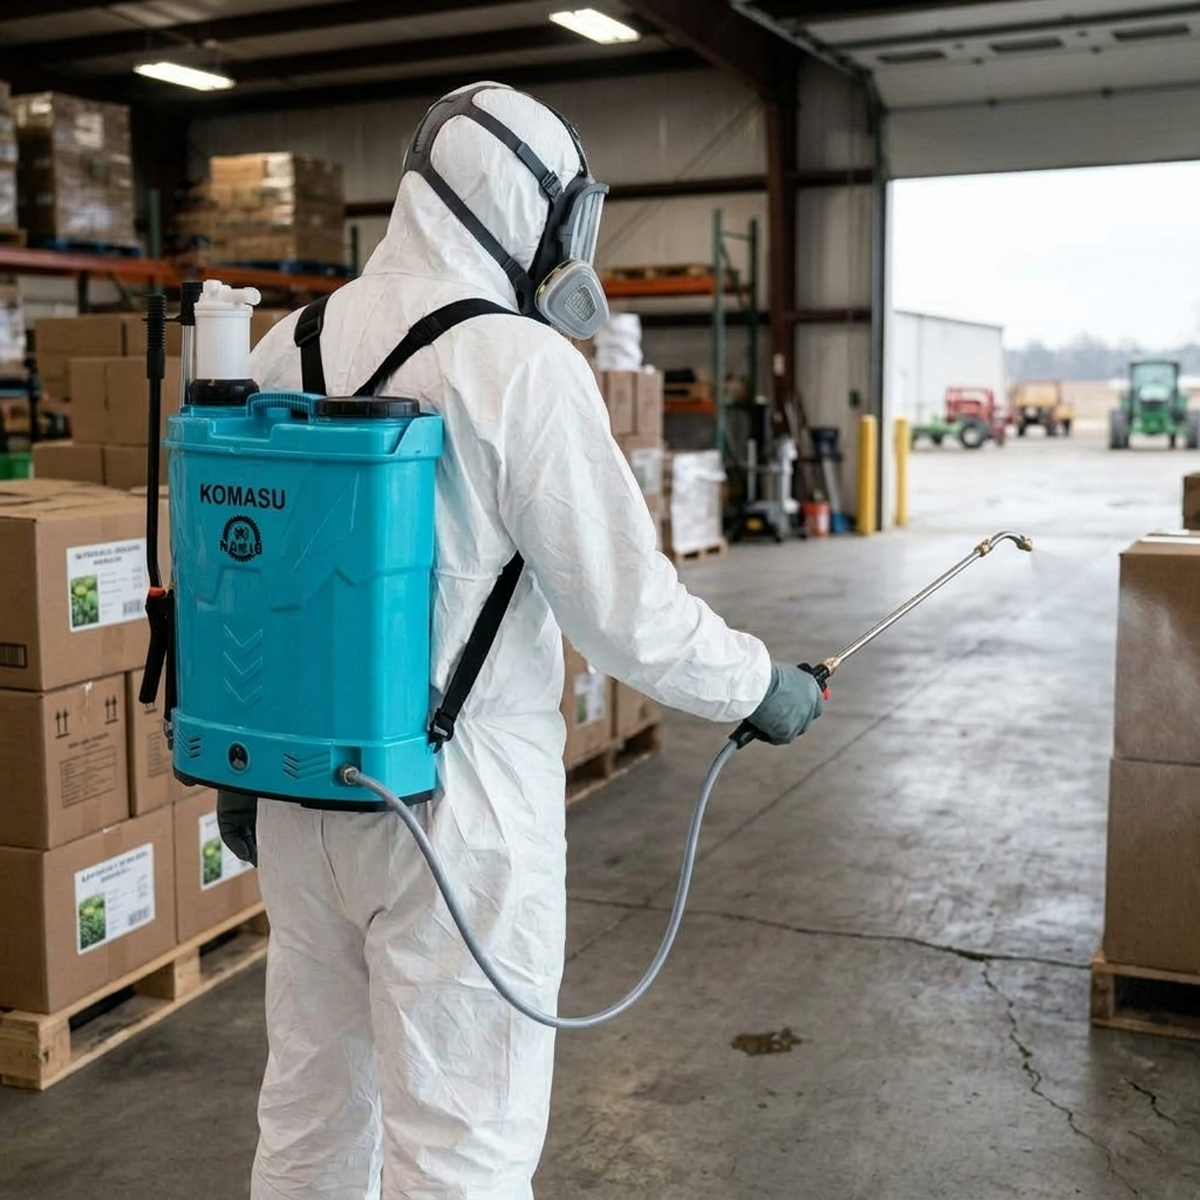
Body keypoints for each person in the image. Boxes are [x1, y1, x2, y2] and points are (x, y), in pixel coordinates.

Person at [221, 81, 823, 1200]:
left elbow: (232, 583)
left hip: (302, 801)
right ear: (520, 205)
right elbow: (627, 613)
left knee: (311, 1112)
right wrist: (759, 685)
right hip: (461, 811)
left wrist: (239, 768)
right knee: (464, 1144)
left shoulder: (281, 347)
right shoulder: (520, 364)